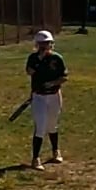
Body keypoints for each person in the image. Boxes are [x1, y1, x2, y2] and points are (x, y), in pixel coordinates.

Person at [25, 30, 67, 169]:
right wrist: (39, 60)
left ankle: (56, 151)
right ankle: (35, 158)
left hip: (54, 95)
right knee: (40, 126)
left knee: (52, 124)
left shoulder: (57, 58)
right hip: (39, 96)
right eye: (42, 44)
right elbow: (29, 71)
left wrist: (53, 83)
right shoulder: (33, 58)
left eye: (47, 43)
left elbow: (64, 77)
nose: (44, 46)